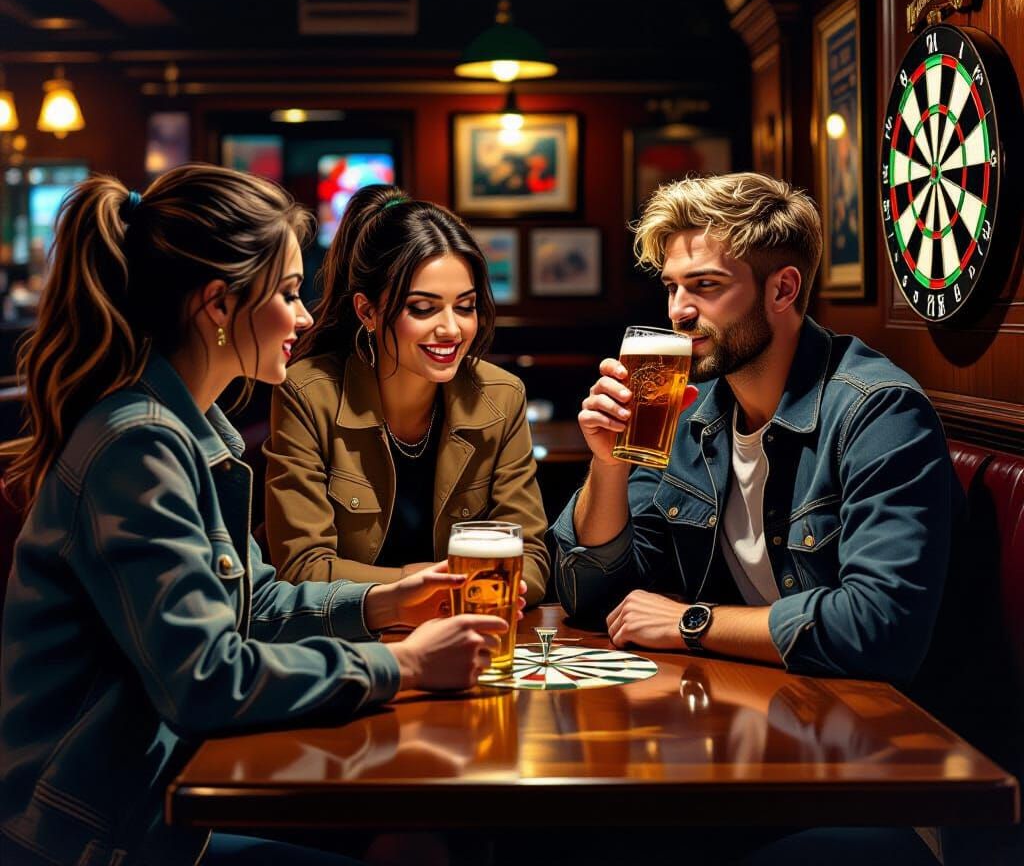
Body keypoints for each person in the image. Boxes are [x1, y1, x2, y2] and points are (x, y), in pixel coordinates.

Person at [0, 165, 511, 866]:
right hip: (89, 841)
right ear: (218, 304)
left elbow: (253, 600)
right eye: (291, 292)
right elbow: (206, 679)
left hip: (148, 820)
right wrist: (404, 665)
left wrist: (384, 601)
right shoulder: (139, 443)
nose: (304, 317)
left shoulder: (187, 425)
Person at [553, 171, 964, 688]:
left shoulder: (879, 413)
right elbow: (592, 598)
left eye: (705, 286)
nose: (679, 311)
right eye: (672, 287)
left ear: (782, 289)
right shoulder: (690, 410)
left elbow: (879, 628)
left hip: (876, 728)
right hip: (752, 700)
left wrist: (691, 622)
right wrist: (608, 466)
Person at [264, 185, 549, 604]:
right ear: (368, 312)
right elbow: (302, 567)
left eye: (465, 306)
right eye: (423, 308)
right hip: (351, 644)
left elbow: (533, 561)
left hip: (469, 632)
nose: (451, 329)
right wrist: (416, 583)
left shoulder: (502, 396)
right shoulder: (308, 393)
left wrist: (477, 588)